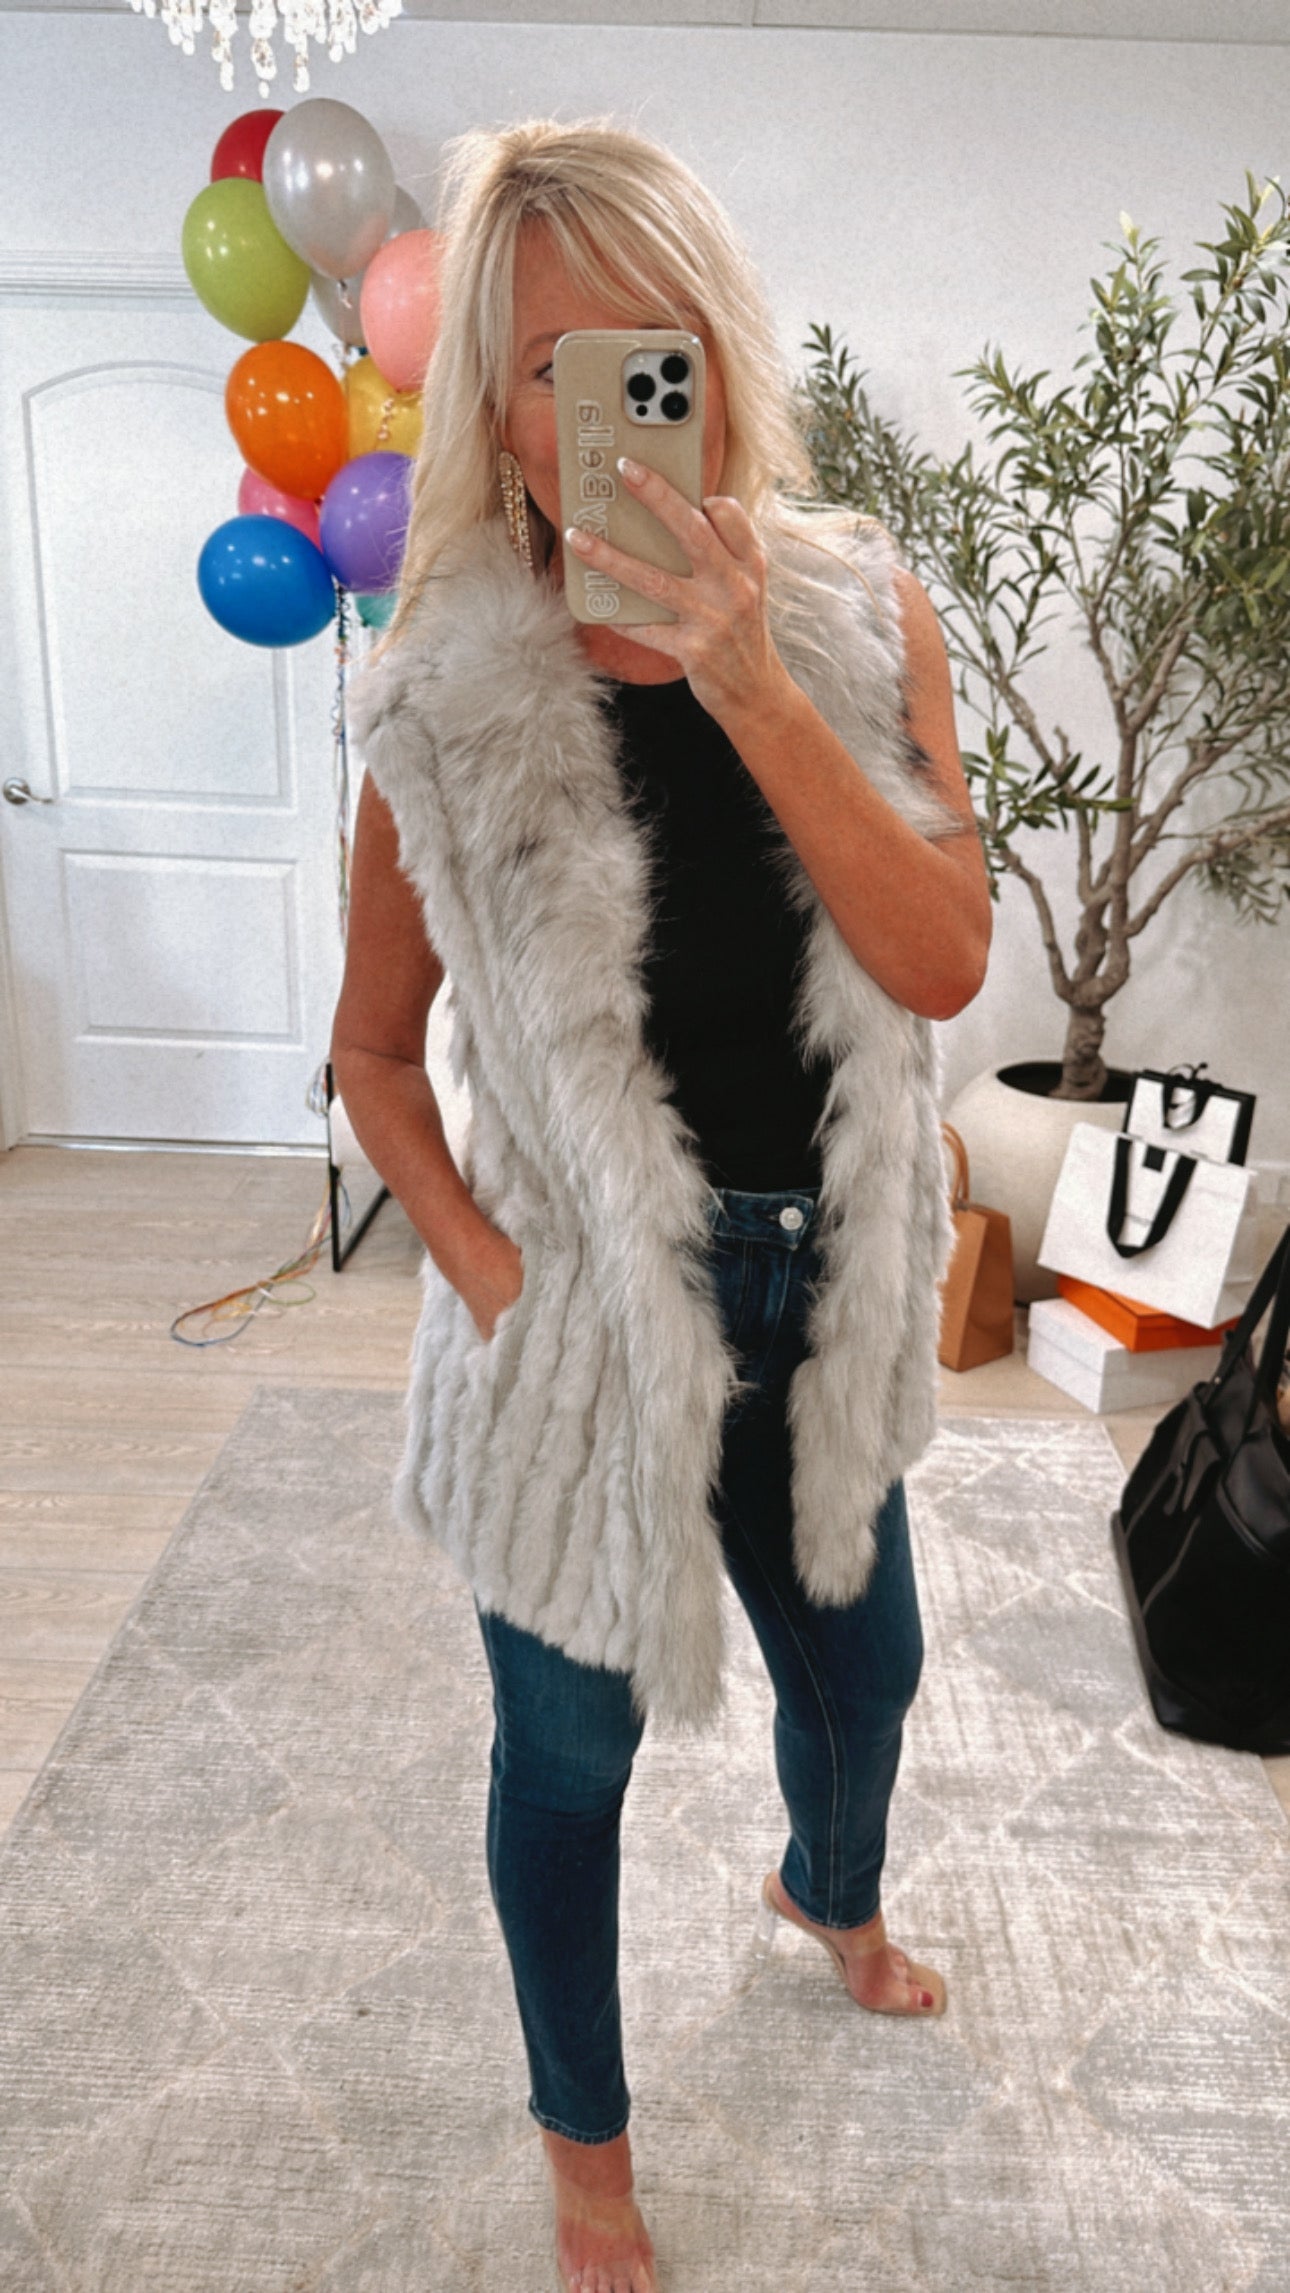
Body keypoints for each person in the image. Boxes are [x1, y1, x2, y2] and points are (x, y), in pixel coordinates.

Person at [332, 115, 991, 2293]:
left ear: (716, 352)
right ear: (491, 405)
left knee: (870, 1671)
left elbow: (942, 963)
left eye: (642, 348)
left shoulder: (862, 612)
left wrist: (750, 681)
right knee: (567, 1754)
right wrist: (493, 1276)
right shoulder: (441, 690)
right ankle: (586, 2148)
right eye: (543, 365)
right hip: (580, 1321)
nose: (593, 405)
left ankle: (827, 1883)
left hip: (825, 1290)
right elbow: (372, 1055)